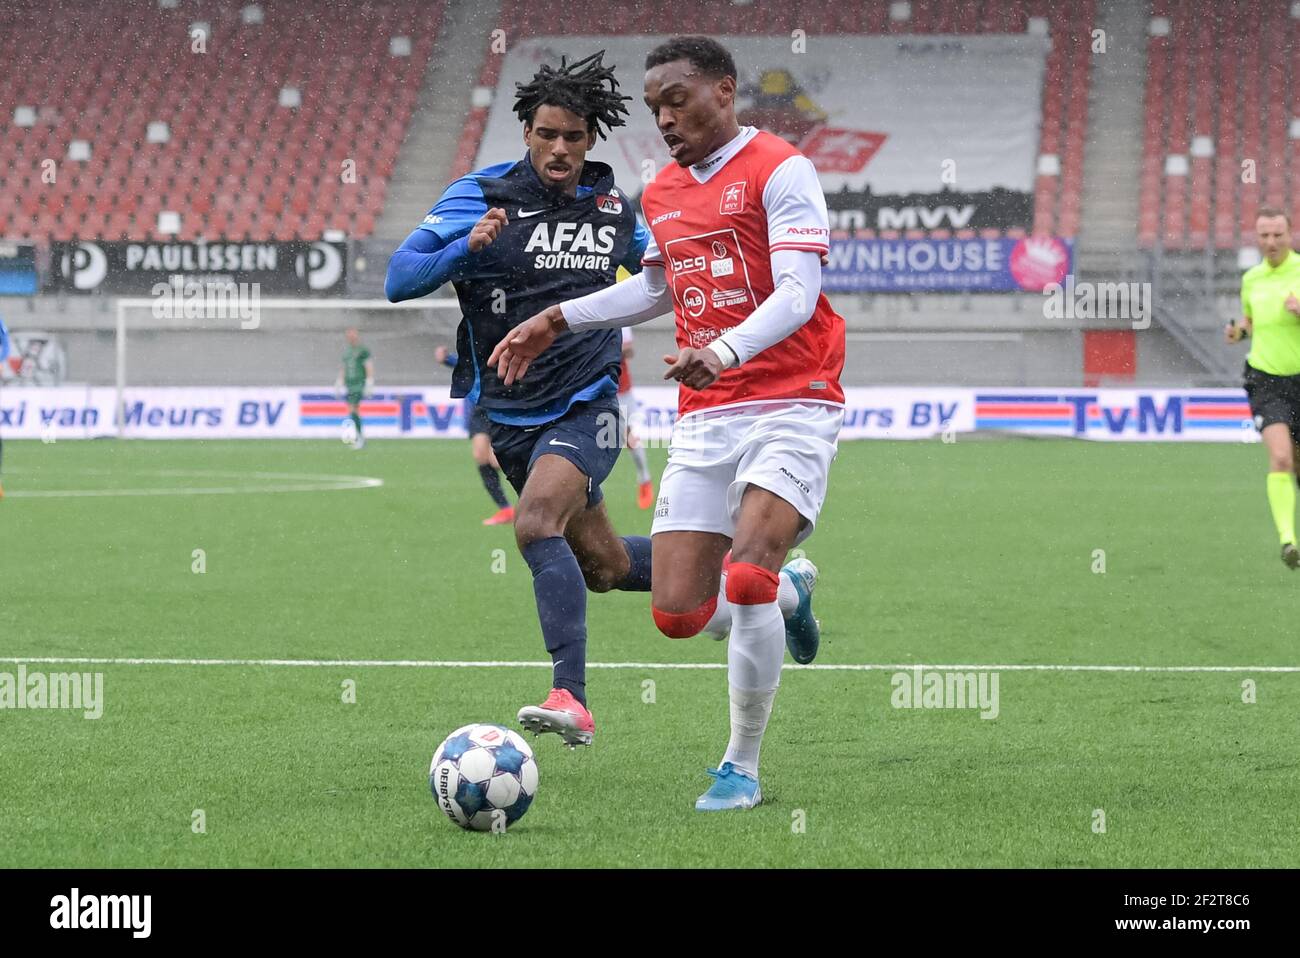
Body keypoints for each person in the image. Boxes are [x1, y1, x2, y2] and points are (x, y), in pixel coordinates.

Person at [490, 36, 843, 810]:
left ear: (724, 89)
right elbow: (654, 288)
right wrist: (558, 317)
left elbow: (796, 294)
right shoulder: (667, 192)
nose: (666, 118)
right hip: (709, 412)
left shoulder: (782, 169)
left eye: (677, 100)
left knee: (747, 572)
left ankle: (740, 768)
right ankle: (793, 598)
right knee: (678, 614)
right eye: (655, 109)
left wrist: (720, 348)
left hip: (792, 397)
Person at [385, 51, 655, 746]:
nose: (560, 148)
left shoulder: (615, 211)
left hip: (588, 405)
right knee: (605, 567)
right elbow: (399, 276)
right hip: (508, 417)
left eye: (573, 136)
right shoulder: (478, 194)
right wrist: (462, 253)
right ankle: (765, 580)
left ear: (591, 138)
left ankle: (572, 697)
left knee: (535, 524)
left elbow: (665, 277)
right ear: (526, 133)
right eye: (546, 134)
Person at [1226, 205, 1300, 567]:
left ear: (1290, 234)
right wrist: (1238, 331)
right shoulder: (1252, 278)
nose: (1271, 242)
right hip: (1266, 379)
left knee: (1296, 464)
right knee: (1282, 457)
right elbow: (1251, 321)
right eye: (1264, 235)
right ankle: (1288, 541)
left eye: (1277, 235)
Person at [435, 343, 515, 525]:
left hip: (500, 407)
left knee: (496, 460)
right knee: (480, 456)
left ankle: (538, 486)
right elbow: (467, 364)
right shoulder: (479, 345)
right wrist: (446, 359)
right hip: (480, 410)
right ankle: (506, 509)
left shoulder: (505, 345)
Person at [617, 326, 655, 508]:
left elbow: (629, 350)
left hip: (621, 390)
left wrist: (603, 348)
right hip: (595, 391)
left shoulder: (620, 321)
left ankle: (645, 480)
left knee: (629, 438)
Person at [335, 328, 373, 450]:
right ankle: (360, 437)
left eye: (353, 335)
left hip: (358, 384)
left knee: (353, 409)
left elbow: (368, 366)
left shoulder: (363, 350)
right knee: (352, 410)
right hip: (349, 384)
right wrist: (339, 381)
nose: (351, 337)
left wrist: (369, 381)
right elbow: (344, 368)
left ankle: (360, 438)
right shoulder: (347, 352)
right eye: (349, 335)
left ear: (357, 336)